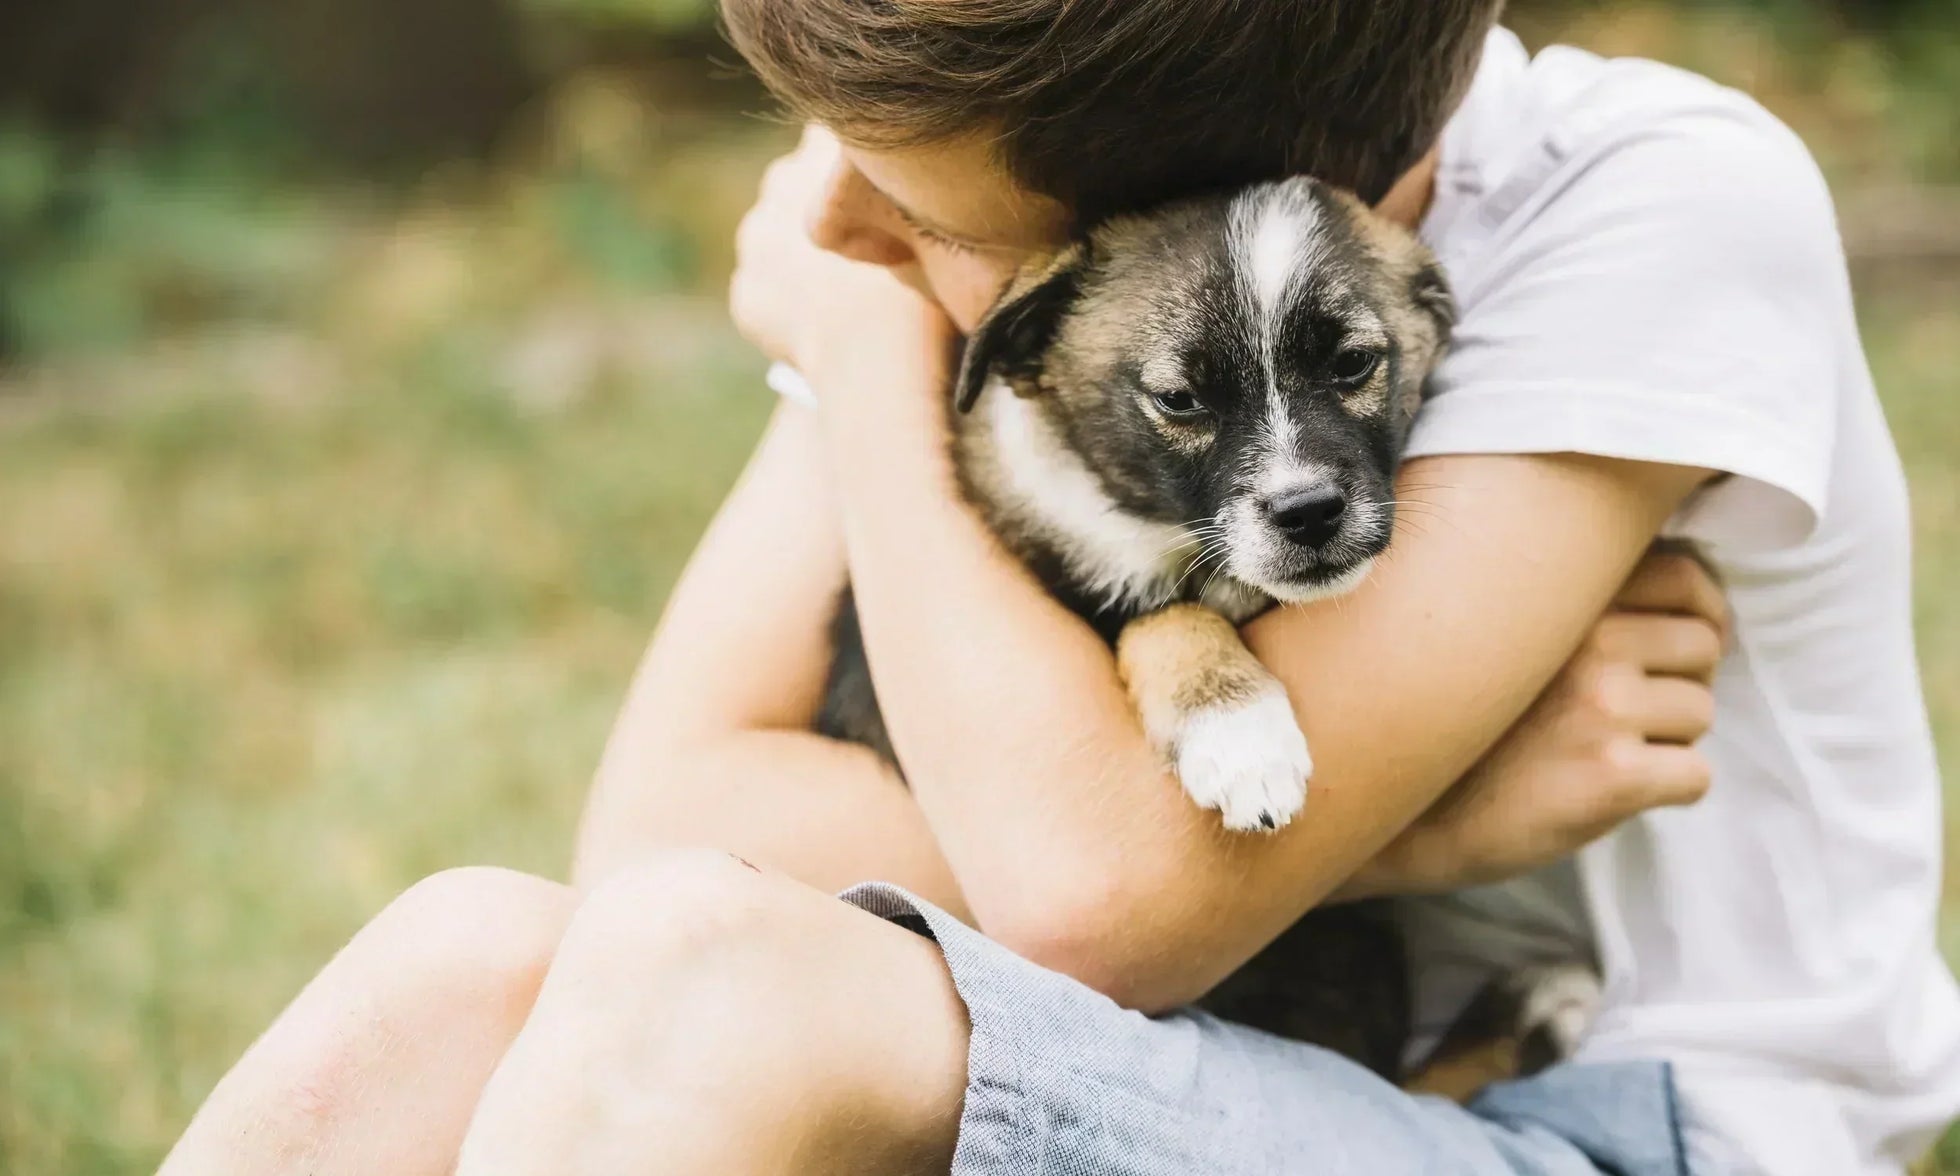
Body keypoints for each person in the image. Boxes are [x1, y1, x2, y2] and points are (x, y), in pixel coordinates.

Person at [160, 2, 1960, 1173]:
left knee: (713, 988)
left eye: (913, 223)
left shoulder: (1649, 208)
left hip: (1638, 1132)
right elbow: (663, 825)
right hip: (1236, 1055)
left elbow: (1101, 900)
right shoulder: (1015, 290)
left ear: (1211, 213)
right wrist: (1407, 827)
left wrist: (867, 360)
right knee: (460, 959)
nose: (831, 237)